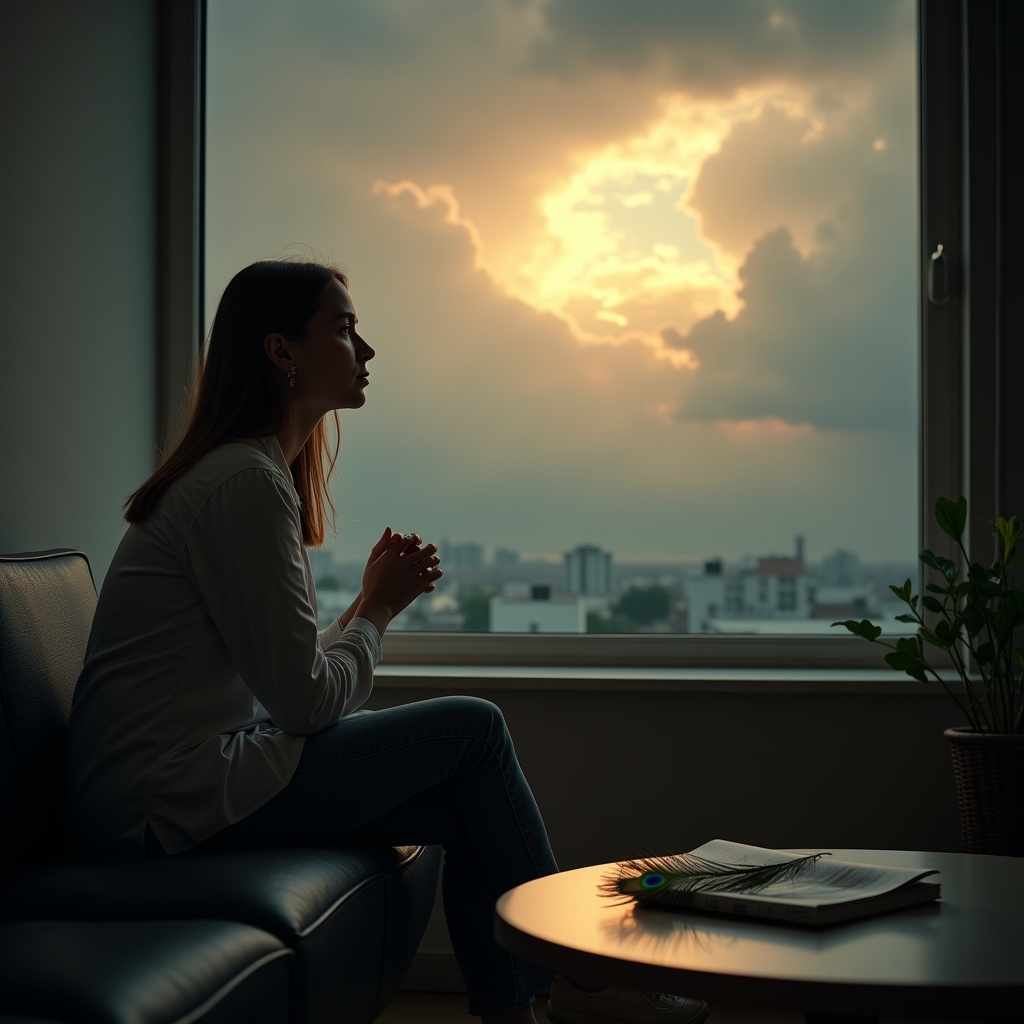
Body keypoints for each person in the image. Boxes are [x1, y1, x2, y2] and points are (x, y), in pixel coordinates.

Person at [67, 259, 708, 1024]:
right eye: (343, 328)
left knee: (468, 804)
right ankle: (583, 977)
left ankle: (519, 1012)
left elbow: (289, 683)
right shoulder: (242, 483)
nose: (365, 349)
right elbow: (305, 704)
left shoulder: (246, 475)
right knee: (475, 728)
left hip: (180, 784)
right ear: (282, 352)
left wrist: (368, 606)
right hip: (165, 802)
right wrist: (375, 611)